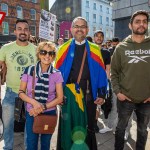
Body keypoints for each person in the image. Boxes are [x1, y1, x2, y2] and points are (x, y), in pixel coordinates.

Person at [55, 16, 108, 150]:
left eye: (82, 26)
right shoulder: (63, 49)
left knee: (88, 124)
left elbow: (102, 73)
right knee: (68, 123)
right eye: (76, 26)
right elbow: (56, 75)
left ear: (87, 30)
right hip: (68, 94)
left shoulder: (95, 49)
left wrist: (102, 94)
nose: (79, 29)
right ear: (72, 29)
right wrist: (58, 95)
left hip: (89, 94)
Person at [111, 10, 150, 150]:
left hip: (147, 100)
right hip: (125, 98)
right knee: (120, 129)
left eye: (144, 21)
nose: (141, 24)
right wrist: (117, 92)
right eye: (137, 21)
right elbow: (113, 71)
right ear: (130, 25)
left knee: (142, 131)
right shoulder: (121, 48)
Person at [19, 41, 63, 150]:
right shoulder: (29, 70)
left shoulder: (57, 73)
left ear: (53, 57)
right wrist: (35, 103)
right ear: (39, 54)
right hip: (32, 113)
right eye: (44, 52)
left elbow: (60, 98)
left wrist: (42, 107)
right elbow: (21, 92)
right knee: (31, 144)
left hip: (49, 113)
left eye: (51, 53)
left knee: (45, 145)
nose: (47, 56)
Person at [0, 19, 37, 150]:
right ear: (14, 31)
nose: (23, 31)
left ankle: (29, 147)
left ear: (29, 32)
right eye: (19, 29)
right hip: (10, 94)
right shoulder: (5, 48)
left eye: (25, 29)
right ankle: (8, 147)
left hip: (30, 95)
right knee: (8, 125)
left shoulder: (36, 50)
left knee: (30, 126)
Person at [93, 30, 111, 133]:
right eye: (97, 36)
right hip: (89, 81)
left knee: (98, 103)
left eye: (101, 36)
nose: (99, 38)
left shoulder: (106, 52)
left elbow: (108, 68)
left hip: (101, 82)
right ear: (94, 37)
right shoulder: (89, 50)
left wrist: (107, 81)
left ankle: (95, 123)